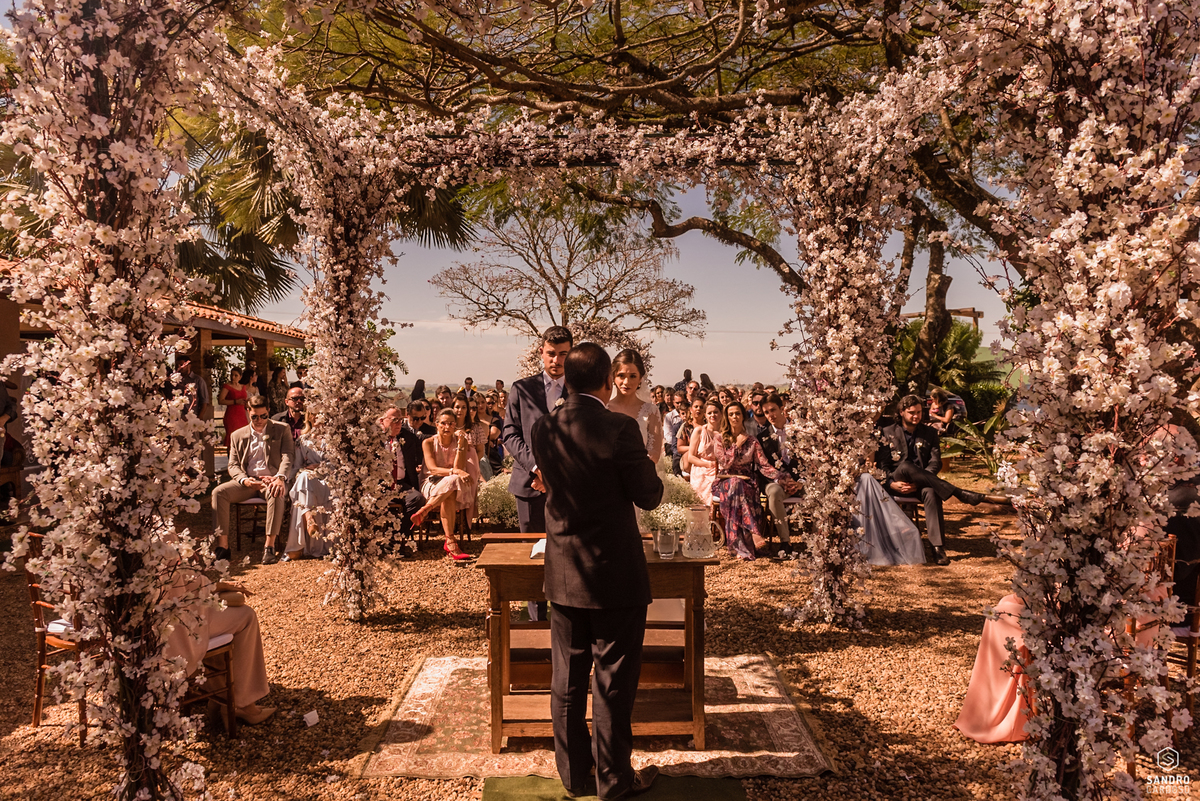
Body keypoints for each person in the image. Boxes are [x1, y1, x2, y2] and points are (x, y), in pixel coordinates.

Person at [531, 342, 663, 800]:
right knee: (612, 680)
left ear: (566, 380)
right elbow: (649, 495)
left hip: (564, 568)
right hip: (614, 572)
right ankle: (613, 779)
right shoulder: (619, 428)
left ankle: (573, 775)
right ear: (608, 381)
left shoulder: (545, 427)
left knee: (567, 679)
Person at [876, 394, 1007, 566]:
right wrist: (891, 483)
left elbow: (935, 462)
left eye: (919, 412)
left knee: (932, 492)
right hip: (896, 481)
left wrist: (921, 481)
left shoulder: (930, 433)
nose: (916, 416)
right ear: (901, 412)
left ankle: (937, 547)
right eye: (911, 413)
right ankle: (959, 493)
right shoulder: (887, 432)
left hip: (921, 484)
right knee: (906, 465)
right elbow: (882, 465)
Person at [165, 574, 275, 727]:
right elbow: (185, 585)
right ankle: (242, 704)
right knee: (246, 616)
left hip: (160, 624)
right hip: (176, 627)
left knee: (222, 615)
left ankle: (221, 695)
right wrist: (223, 586)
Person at [503, 325, 573, 535]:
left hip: (569, 486)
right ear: (541, 352)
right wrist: (537, 468)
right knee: (530, 549)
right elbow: (510, 433)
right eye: (551, 353)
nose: (556, 360)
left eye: (563, 354)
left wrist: (555, 475)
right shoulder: (521, 389)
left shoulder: (579, 391)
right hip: (529, 483)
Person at [211, 395, 296, 564]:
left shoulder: (282, 429)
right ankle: (223, 548)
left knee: (277, 492)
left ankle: (269, 547)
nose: (259, 420)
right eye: (255, 417)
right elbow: (233, 465)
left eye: (264, 416)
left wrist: (279, 477)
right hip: (247, 481)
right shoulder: (237, 435)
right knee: (218, 492)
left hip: (271, 480)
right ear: (248, 412)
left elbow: (288, 456)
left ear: (268, 412)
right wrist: (244, 480)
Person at [712, 401, 785, 560]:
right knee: (735, 483)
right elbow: (725, 464)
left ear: (743, 416)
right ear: (727, 417)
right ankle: (753, 532)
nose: (734, 417)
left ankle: (740, 547)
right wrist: (736, 445)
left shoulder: (752, 440)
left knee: (738, 486)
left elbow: (764, 465)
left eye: (737, 413)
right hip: (725, 482)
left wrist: (781, 477)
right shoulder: (719, 439)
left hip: (747, 483)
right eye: (731, 414)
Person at [412, 408, 479, 561]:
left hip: (453, 485)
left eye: (451, 423)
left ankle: (426, 510)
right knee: (453, 482)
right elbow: (432, 469)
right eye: (443, 423)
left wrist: (461, 445)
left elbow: (459, 467)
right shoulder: (428, 442)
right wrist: (455, 472)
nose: (447, 427)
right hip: (432, 483)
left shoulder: (460, 441)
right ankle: (451, 542)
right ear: (437, 425)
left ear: (455, 425)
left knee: (452, 485)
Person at [756, 393, 804, 552]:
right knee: (774, 492)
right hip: (775, 482)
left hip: (801, 480)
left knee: (819, 491)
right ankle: (785, 542)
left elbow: (809, 461)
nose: (770, 415)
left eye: (773, 410)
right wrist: (779, 480)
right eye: (766, 412)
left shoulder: (801, 432)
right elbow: (762, 466)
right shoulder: (762, 437)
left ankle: (818, 542)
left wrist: (800, 482)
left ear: (782, 408)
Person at [283, 418, 330, 561]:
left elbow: (340, 464)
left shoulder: (334, 438)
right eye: (313, 414)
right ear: (309, 416)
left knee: (304, 481)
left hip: (331, 480)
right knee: (303, 477)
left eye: (320, 414)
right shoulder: (302, 440)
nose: (317, 418)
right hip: (310, 480)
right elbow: (296, 466)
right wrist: (283, 481)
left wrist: (321, 467)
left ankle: (299, 541)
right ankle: (310, 518)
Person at [379, 406, 427, 543]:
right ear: (382, 421)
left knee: (417, 499)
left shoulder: (408, 437)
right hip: (379, 486)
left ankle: (396, 540)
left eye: (401, 420)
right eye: (394, 420)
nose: (399, 424)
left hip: (401, 484)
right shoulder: (374, 440)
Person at [607, 349, 664, 463]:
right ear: (613, 377)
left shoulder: (651, 411)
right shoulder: (603, 409)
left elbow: (654, 453)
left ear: (640, 378)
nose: (626, 382)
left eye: (632, 376)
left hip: (640, 471)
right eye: (621, 376)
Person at [686, 399, 722, 504]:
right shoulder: (699, 431)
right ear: (705, 415)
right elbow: (691, 457)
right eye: (709, 413)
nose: (712, 415)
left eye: (715, 412)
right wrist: (708, 464)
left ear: (721, 413)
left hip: (720, 469)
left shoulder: (725, 433)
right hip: (702, 468)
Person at [453, 391, 492, 482]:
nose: (460, 410)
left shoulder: (476, 427)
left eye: (463, 407)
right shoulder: (448, 426)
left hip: (473, 462)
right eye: (457, 407)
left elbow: (480, 451)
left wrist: (470, 464)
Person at [218, 367, 249, 447]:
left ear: (240, 377)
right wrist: (235, 401)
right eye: (231, 375)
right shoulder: (227, 386)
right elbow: (220, 400)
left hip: (242, 414)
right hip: (232, 415)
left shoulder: (243, 387)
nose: (233, 377)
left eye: (235, 375)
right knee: (232, 436)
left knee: (244, 435)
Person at [676, 397, 705, 479]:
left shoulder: (708, 426)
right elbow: (680, 448)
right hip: (689, 458)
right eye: (696, 407)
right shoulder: (686, 426)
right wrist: (694, 448)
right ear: (691, 409)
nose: (698, 409)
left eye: (701, 407)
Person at [662, 391, 688, 476]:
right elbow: (668, 435)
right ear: (673, 403)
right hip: (673, 444)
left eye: (682, 402)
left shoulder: (690, 415)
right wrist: (679, 443)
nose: (679, 405)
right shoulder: (669, 416)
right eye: (677, 403)